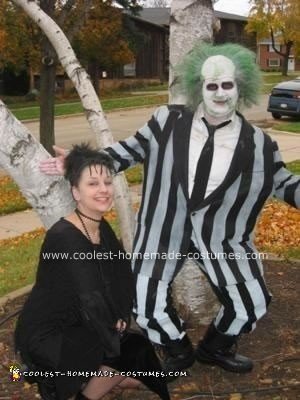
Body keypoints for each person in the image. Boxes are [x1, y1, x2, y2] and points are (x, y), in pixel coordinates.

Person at [40, 43, 300, 376]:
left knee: (252, 301)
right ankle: (177, 348)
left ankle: (214, 348)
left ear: (241, 87)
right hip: (164, 229)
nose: (220, 93)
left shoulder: (259, 143)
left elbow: (283, 182)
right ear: (199, 88)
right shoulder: (168, 121)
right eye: (212, 86)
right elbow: (126, 152)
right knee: (145, 303)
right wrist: (78, 162)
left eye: (227, 85)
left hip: (222, 237)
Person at [15, 144, 170, 400]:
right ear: (75, 192)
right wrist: (113, 329)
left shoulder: (99, 226)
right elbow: (91, 296)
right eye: (93, 184)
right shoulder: (66, 237)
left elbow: (120, 276)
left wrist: (120, 315)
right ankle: (54, 381)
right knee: (125, 352)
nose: (103, 190)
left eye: (107, 182)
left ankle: (102, 377)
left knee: (130, 352)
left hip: (79, 322)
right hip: (47, 334)